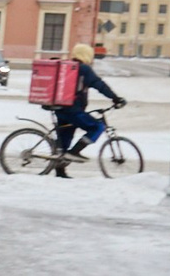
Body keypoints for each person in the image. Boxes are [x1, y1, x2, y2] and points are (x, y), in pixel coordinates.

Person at [46, 41, 122, 175]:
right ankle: (75, 152)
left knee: (64, 141)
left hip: (60, 108)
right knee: (97, 127)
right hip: (73, 110)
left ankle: (60, 171)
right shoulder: (83, 69)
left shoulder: (68, 67)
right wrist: (115, 98)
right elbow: (99, 84)